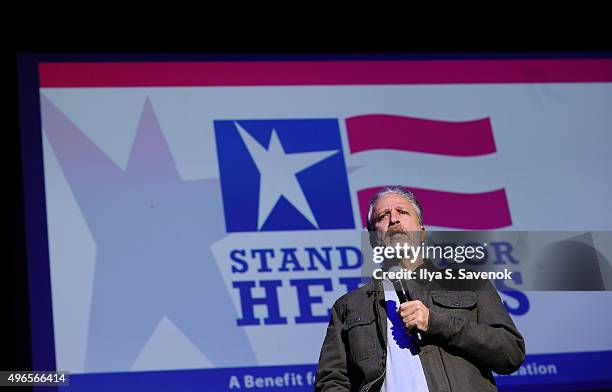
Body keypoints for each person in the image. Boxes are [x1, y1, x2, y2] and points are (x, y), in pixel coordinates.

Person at [314, 186, 525, 392]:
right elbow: (331, 380)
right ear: (372, 240)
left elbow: (510, 352)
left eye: (402, 212)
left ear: (422, 232)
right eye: (383, 216)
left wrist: (435, 322)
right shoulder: (349, 306)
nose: (394, 220)